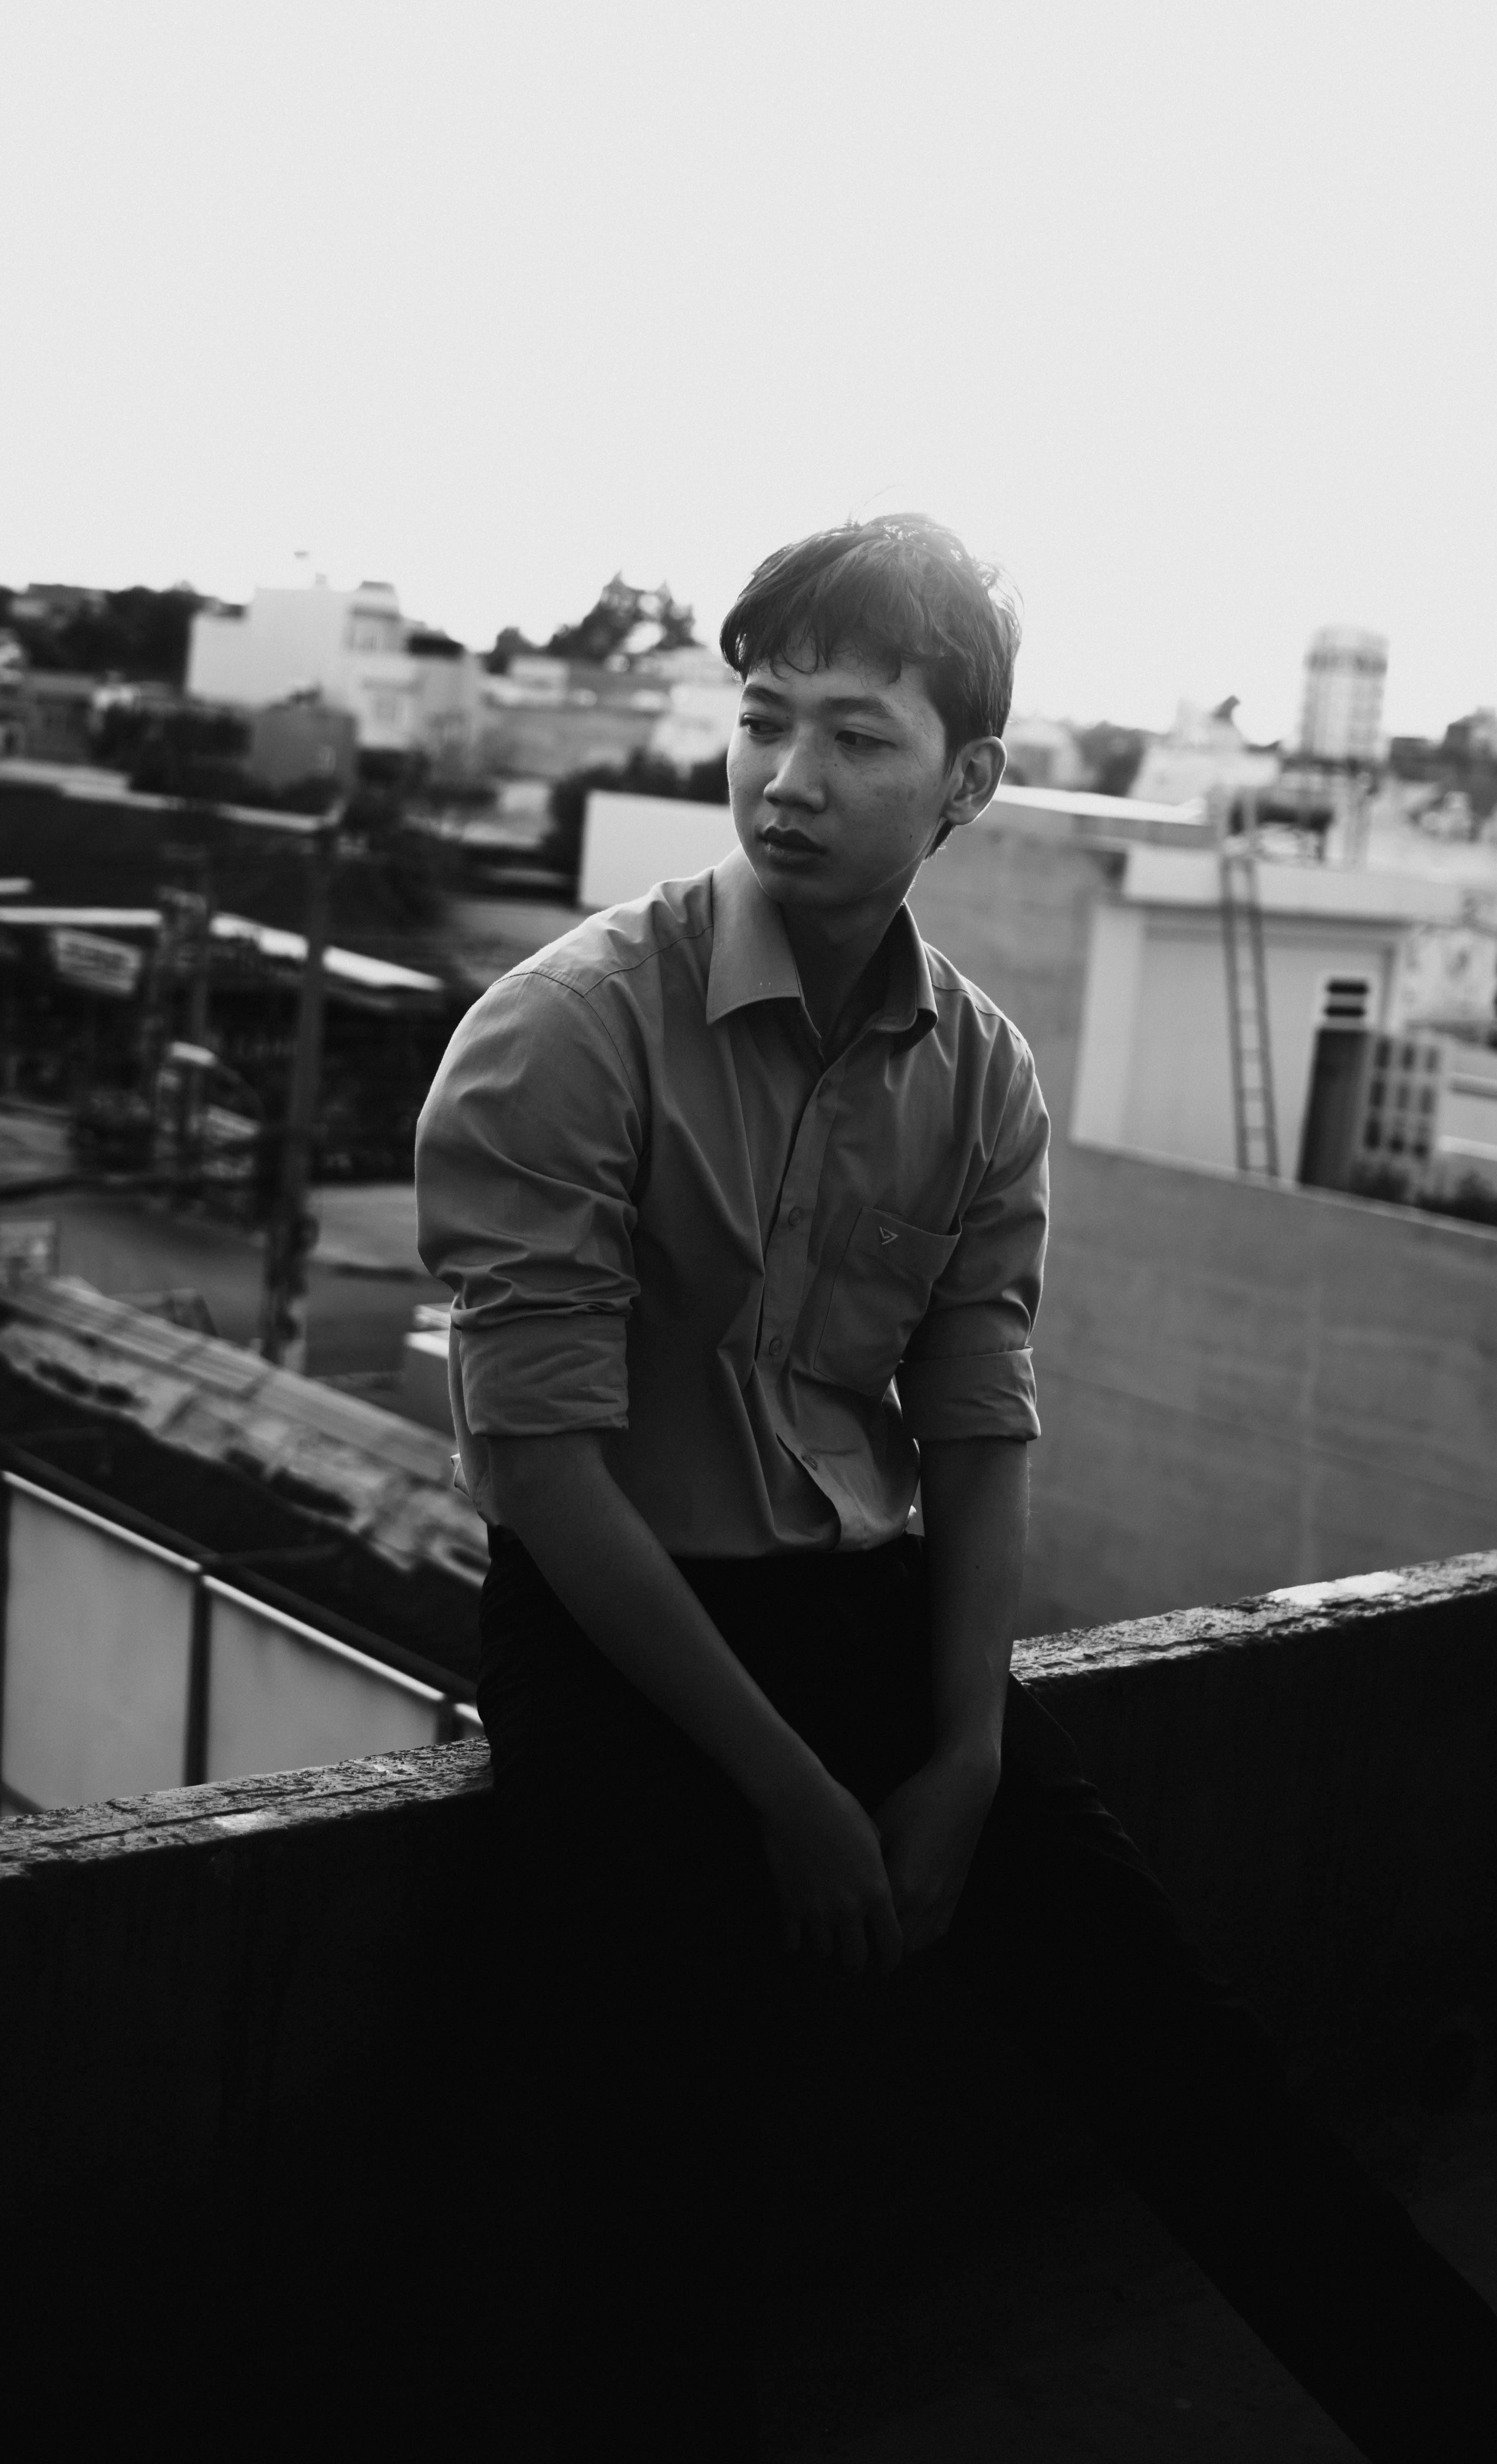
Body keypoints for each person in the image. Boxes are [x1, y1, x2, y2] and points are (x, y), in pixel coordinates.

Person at [415, 513, 1497, 2460]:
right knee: (663, 2170)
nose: (789, 780)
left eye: (857, 737)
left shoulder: (979, 1071)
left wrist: (968, 1756)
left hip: (868, 1612)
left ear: (968, 784)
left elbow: (978, 1418)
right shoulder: (567, 1031)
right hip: (616, 1626)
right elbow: (548, 1477)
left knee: (1188, 2056)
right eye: (762, 723)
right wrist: (796, 1801)